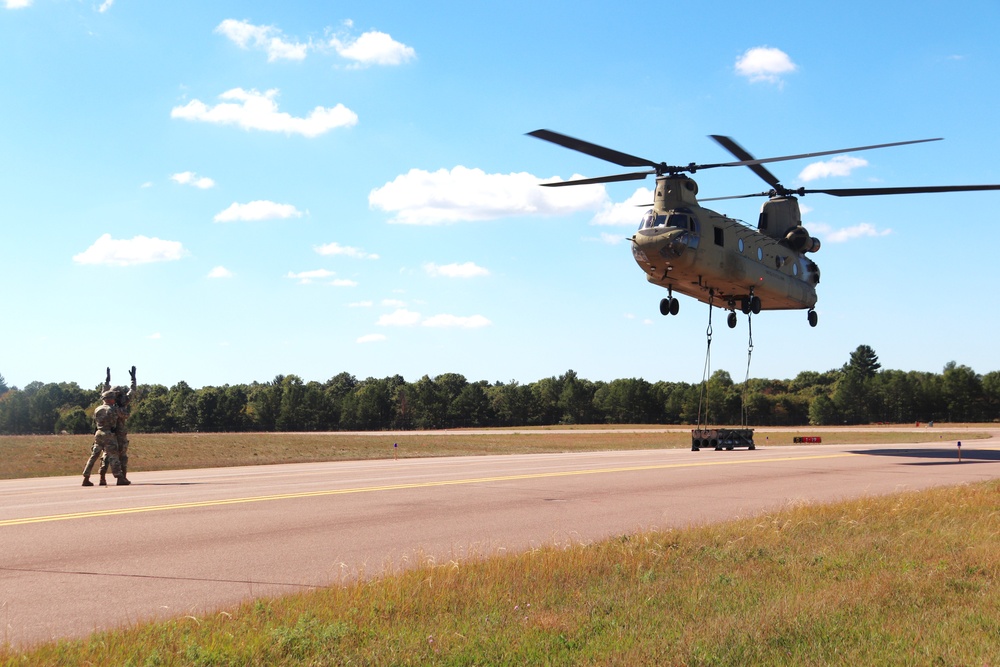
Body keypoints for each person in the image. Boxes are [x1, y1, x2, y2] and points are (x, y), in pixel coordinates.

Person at [98, 365, 136, 485]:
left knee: (108, 455)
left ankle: (103, 477)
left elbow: (104, 392)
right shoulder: (121, 404)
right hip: (118, 432)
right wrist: (133, 379)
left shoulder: (109, 402)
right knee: (120, 455)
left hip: (110, 432)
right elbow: (133, 391)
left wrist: (107, 380)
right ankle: (121, 477)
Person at [83, 387, 129, 486]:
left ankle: (86, 477)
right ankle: (119, 478)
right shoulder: (113, 409)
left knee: (94, 456)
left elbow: (95, 422)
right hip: (109, 434)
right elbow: (125, 415)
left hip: (98, 433)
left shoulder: (97, 409)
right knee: (113, 456)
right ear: (111, 399)